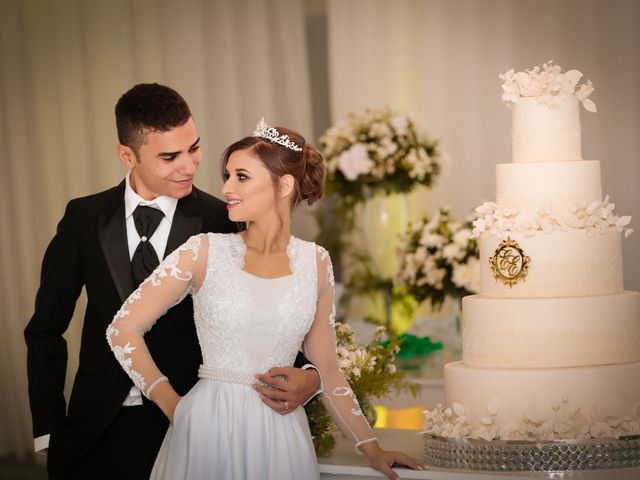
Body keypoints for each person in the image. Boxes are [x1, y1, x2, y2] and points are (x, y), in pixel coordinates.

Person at [24, 84, 321, 480]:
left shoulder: (225, 219)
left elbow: (274, 313)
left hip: (194, 429)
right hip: (92, 431)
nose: (190, 166)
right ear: (127, 155)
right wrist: (48, 431)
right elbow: (45, 329)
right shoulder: (82, 218)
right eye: (170, 156)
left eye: (194, 148)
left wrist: (311, 378)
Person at [106, 118, 427, 479]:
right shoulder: (204, 251)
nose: (227, 187)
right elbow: (122, 328)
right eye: (227, 175)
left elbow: (330, 371)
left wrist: (372, 449)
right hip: (206, 429)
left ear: (284, 184)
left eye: (241, 176)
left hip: (281, 435)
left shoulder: (316, 262)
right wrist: (174, 406)